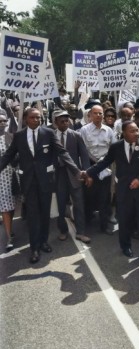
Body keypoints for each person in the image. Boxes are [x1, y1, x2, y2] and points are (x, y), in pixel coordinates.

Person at [0, 108, 81, 263]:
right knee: (32, 215)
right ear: (25, 119)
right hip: (28, 182)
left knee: (45, 213)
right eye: (33, 117)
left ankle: (43, 241)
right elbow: (8, 155)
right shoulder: (19, 136)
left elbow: (62, 152)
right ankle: (34, 248)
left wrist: (76, 170)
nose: (37, 120)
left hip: (45, 181)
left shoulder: (48, 133)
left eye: (39, 117)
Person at [84, 121, 139, 261]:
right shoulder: (116, 147)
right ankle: (126, 247)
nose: (136, 133)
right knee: (124, 221)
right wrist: (88, 173)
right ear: (123, 132)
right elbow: (104, 162)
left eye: (137, 130)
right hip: (123, 191)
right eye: (132, 131)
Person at [53, 110, 91, 244]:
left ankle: (81, 232)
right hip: (59, 175)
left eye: (67, 121)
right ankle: (63, 230)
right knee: (61, 205)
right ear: (55, 122)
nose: (65, 123)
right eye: (62, 121)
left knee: (79, 204)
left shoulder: (76, 135)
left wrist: (86, 173)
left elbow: (84, 156)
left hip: (75, 175)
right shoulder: (51, 136)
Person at [79, 104, 117, 235]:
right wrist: (87, 171)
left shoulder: (109, 130)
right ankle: (87, 221)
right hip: (90, 167)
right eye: (95, 113)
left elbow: (113, 148)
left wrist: (105, 163)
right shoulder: (84, 130)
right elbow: (82, 151)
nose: (98, 116)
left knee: (105, 198)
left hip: (106, 167)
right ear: (90, 115)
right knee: (89, 196)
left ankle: (104, 225)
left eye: (101, 113)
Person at [0, 109, 16, 252]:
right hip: (1, 178)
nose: (3, 123)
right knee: (5, 207)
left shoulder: (10, 136)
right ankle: (9, 237)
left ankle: (10, 226)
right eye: (0, 121)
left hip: (14, 175)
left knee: (12, 206)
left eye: (5, 121)